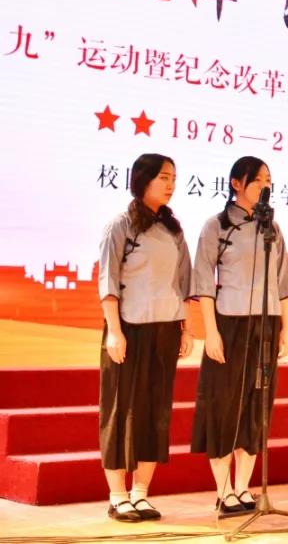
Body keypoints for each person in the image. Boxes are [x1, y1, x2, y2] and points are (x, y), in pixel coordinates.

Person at [191, 157, 288, 517]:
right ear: (237, 183)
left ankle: (243, 487)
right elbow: (204, 282)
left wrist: (285, 330)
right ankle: (223, 491)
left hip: (265, 325)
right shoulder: (217, 226)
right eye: (258, 180)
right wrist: (211, 332)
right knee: (224, 405)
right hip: (229, 324)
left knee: (256, 406)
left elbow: (283, 282)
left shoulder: (272, 228)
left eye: (269, 180)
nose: (265, 186)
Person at [98, 153, 193, 522]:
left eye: (174, 178)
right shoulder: (120, 226)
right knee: (120, 408)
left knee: (156, 411)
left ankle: (141, 493)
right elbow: (108, 282)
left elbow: (184, 283)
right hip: (128, 329)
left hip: (165, 329)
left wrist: (186, 328)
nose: (171, 184)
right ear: (143, 180)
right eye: (164, 177)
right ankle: (117, 495)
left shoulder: (173, 230)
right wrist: (114, 332)